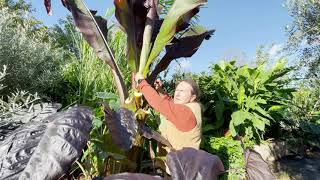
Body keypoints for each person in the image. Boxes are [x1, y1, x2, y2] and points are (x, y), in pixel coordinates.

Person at [135, 74, 203, 153]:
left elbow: (160, 104)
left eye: (182, 91)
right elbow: (171, 104)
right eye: (177, 90)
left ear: (193, 97)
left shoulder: (186, 113)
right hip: (180, 160)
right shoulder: (192, 107)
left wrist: (141, 82)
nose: (177, 93)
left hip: (180, 163)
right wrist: (160, 90)